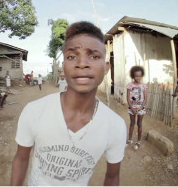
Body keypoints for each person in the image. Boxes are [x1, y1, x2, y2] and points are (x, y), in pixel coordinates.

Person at [11, 21, 127, 185]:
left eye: (94, 56)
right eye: (72, 57)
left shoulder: (115, 126)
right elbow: (21, 159)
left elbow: (112, 177)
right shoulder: (34, 111)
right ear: (63, 67)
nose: (82, 64)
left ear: (106, 67)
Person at [126, 66, 147, 151]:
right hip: (132, 108)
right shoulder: (130, 85)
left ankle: (138, 141)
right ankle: (130, 140)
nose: (138, 78)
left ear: (142, 76)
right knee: (132, 124)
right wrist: (132, 108)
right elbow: (128, 98)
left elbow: (145, 99)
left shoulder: (144, 86)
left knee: (139, 124)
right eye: (136, 76)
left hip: (140, 108)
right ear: (133, 76)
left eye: (140, 76)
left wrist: (140, 108)